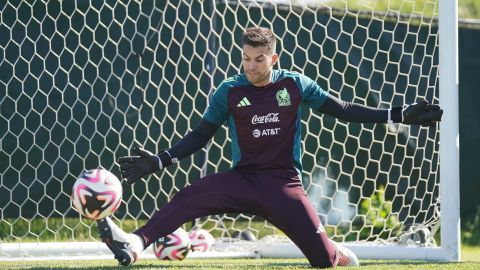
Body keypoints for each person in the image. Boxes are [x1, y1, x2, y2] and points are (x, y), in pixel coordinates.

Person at [97, 27, 443, 268]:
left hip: (283, 185)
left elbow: (342, 110)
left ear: (273, 58)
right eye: (246, 58)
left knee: (325, 262)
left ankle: (329, 248)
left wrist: (397, 114)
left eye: (259, 59)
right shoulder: (229, 91)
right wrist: (161, 159)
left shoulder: (295, 84)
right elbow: (201, 135)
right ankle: (134, 244)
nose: (251, 66)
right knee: (188, 196)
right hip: (243, 179)